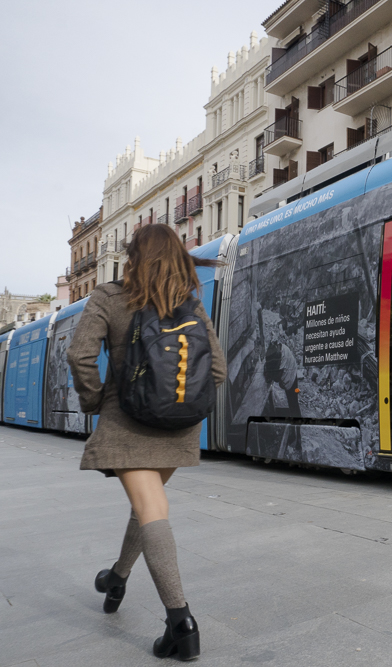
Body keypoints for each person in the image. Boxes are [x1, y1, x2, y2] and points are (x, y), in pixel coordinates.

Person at [68, 224, 226, 660]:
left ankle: (182, 623)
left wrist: (96, 400)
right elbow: (217, 371)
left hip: (129, 419)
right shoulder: (189, 302)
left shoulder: (109, 296)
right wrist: (187, 408)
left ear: (133, 256)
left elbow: (79, 354)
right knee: (149, 505)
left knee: (150, 509)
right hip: (179, 425)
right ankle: (117, 577)